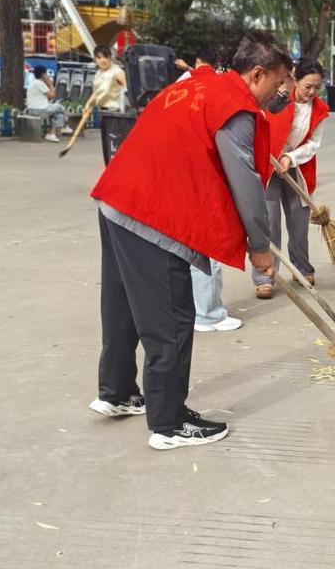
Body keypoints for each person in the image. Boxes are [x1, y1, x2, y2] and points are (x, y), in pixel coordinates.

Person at [88, 31, 293, 450]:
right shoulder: (234, 106)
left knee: (123, 305)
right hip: (156, 212)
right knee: (173, 321)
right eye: (278, 82)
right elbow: (245, 182)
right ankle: (168, 422)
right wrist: (259, 246)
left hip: (117, 198)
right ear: (257, 74)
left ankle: (118, 392)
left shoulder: (199, 84)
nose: (280, 92)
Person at [172, 49, 244, 333]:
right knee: (207, 249)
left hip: (185, 174)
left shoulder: (181, 86)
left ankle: (201, 309)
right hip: (196, 176)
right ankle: (208, 314)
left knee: (194, 247)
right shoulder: (201, 87)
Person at [253, 58, 329, 298]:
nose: (312, 92)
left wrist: (290, 157)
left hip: (298, 167)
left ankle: (301, 267)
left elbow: (313, 144)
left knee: (298, 222)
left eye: (317, 87)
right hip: (268, 167)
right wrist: (272, 156)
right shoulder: (275, 101)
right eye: (307, 86)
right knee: (270, 222)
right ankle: (265, 276)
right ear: (295, 79)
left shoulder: (320, 110)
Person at [25, 65, 72, 142]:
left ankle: (51, 134)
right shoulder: (39, 83)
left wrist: (47, 84)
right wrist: (50, 84)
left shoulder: (33, 83)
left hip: (32, 109)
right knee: (60, 107)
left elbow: (47, 95)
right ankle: (65, 125)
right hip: (40, 110)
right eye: (46, 74)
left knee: (59, 115)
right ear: (43, 74)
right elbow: (52, 96)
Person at [92, 45, 128, 111]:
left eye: (105, 57)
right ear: (95, 60)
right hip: (101, 111)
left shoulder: (117, 72)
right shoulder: (98, 73)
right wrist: (88, 104)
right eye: (99, 58)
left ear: (110, 58)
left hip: (115, 111)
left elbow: (128, 89)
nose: (103, 60)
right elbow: (96, 92)